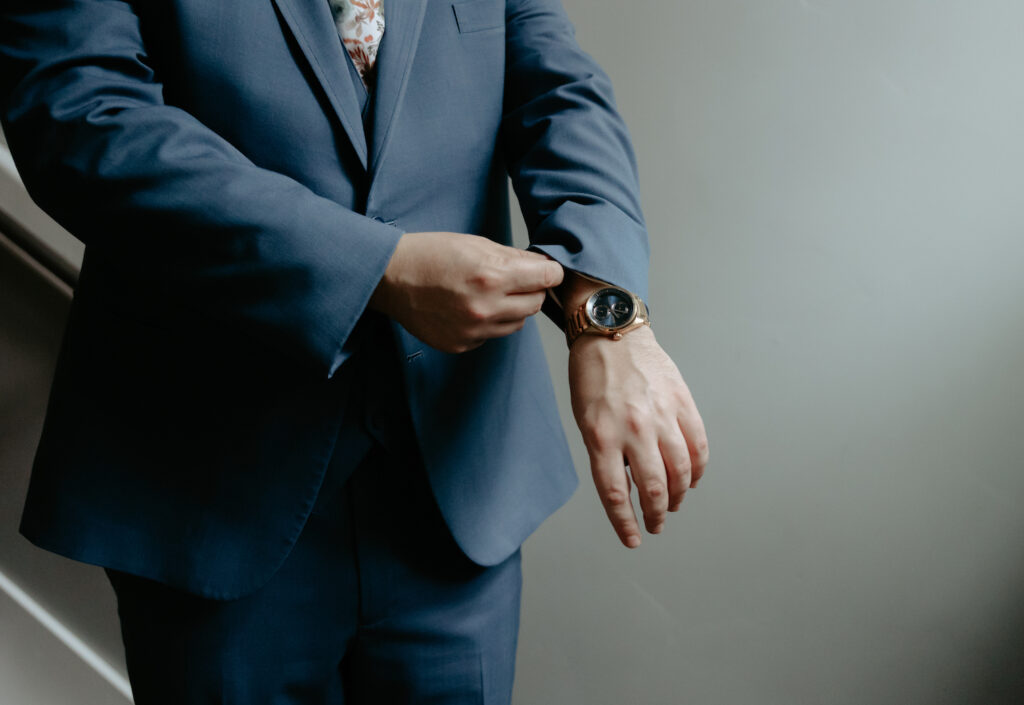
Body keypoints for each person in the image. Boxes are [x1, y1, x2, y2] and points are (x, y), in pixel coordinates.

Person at [0, 0, 709, 702]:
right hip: (206, 489)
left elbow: (558, 88)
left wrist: (606, 313)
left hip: (458, 493)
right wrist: (376, 268)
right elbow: (78, 114)